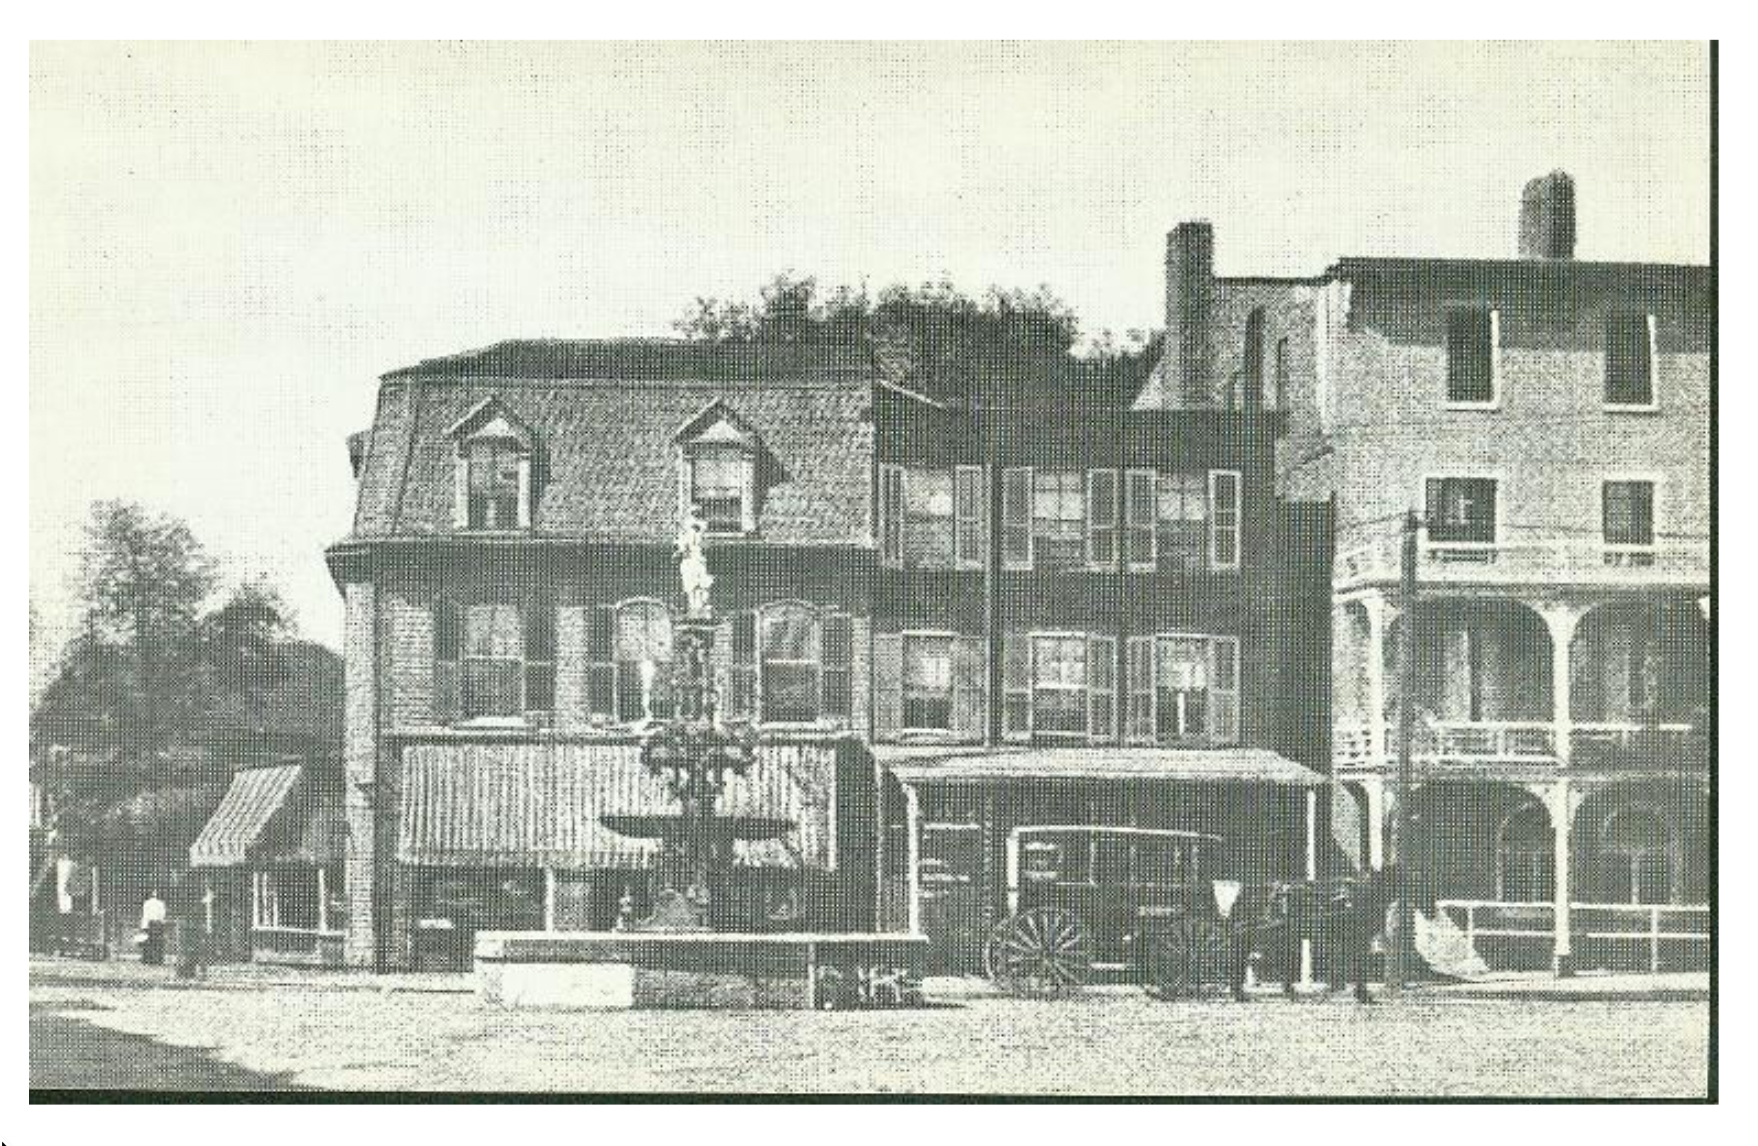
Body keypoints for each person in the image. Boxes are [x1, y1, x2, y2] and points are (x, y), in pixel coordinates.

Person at [139, 889, 167, 966]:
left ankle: (147, 960)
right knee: (158, 943)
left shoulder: (147, 903)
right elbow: (162, 915)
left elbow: (145, 915)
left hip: (149, 924)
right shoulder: (161, 904)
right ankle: (158, 960)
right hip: (158, 924)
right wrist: (162, 923)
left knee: (148, 942)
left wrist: (144, 926)